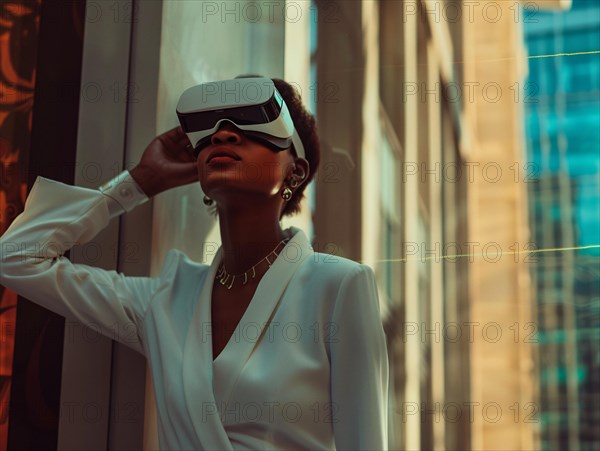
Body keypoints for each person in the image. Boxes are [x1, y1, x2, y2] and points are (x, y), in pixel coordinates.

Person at [0, 76, 389, 450]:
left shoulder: (339, 287)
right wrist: (138, 182)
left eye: (254, 122)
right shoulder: (165, 301)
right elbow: (17, 257)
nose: (223, 134)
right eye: (208, 128)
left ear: (296, 171)